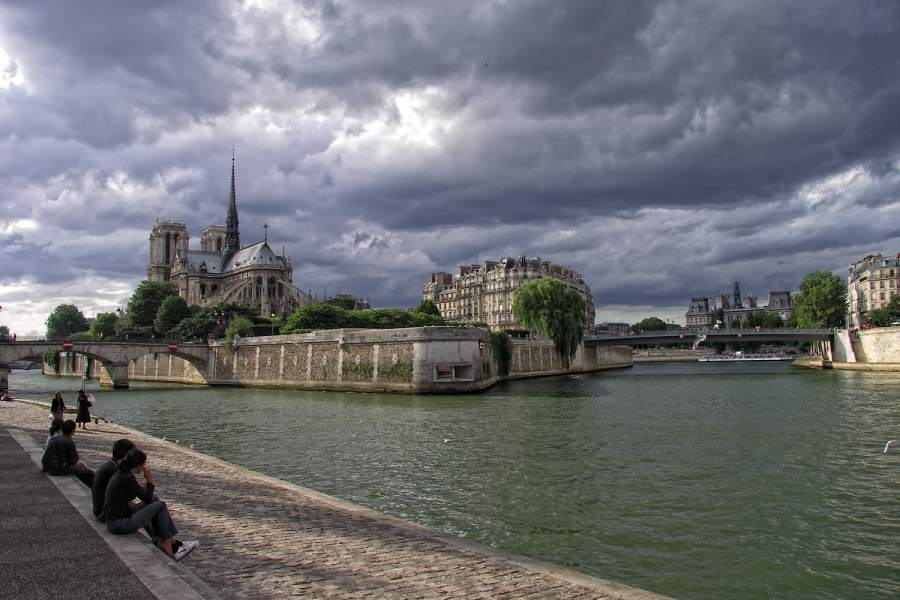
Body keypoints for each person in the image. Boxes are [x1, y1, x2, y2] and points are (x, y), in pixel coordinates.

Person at [105, 449, 197, 561]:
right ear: (138, 465)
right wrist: (149, 481)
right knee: (160, 504)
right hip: (121, 523)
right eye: (144, 464)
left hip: (122, 512)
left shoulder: (122, 474)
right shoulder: (127, 478)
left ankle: (165, 539)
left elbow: (139, 497)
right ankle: (167, 543)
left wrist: (145, 490)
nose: (145, 466)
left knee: (154, 499)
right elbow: (146, 499)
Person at [92, 438, 136, 521]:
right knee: (147, 500)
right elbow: (130, 500)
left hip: (100, 509)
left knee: (147, 497)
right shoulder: (116, 472)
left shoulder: (108, 466)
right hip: (107, 513)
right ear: (126, 455)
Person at [41, 420, 94, 487]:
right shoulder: (69, 441)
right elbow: (74, 461)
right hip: (56, 469)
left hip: (47, 465)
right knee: (87, 473)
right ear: (73, 430)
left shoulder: (54, 438)